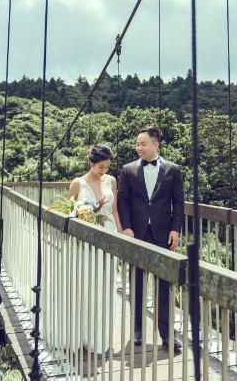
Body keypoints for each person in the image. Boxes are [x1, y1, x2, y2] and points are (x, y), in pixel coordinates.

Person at [117, 127, 184, 354]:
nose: (138, 148)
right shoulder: (127, 170)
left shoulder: (173, 170)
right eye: (137, 144)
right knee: (136, 283)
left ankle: (167, 335)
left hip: (163, 233)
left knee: (164, 285)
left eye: (143, 144)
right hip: (136, 233)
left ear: (156, 145)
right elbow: (122, 201)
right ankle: (137, 331)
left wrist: (176, 229)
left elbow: (179, 202)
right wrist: (126, 227)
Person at [67, 143, 121, 355]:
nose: (104, 171)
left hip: (109, 238)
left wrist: (120, 233)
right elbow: (68, 212)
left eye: (107, 167)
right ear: (91, 163)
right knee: (86, 287)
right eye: (101, 167)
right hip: (86, 243)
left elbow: (114, 210)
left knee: (106, 289)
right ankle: (81, 335)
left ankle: (100, 338)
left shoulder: (112, 181)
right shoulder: (77, 184)